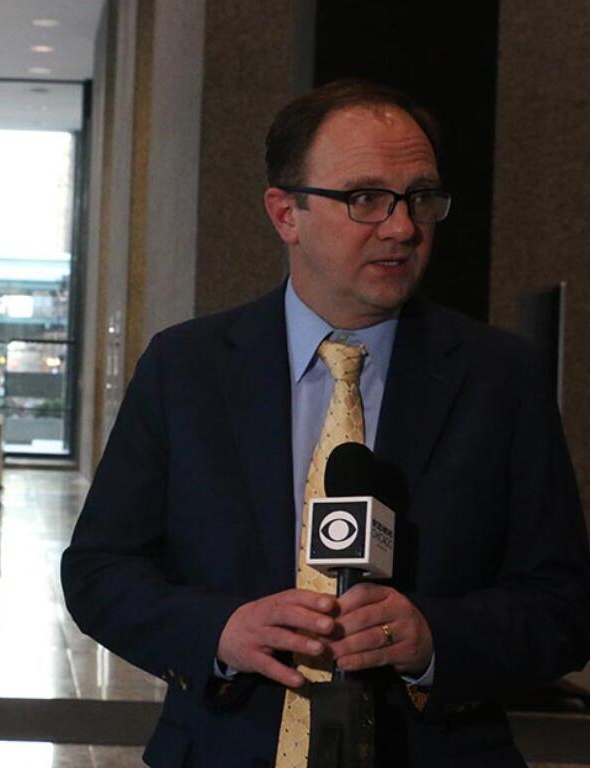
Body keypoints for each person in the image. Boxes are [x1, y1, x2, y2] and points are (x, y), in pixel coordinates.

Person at [61, 79, 590, 767]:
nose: (403, 227)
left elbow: (564, 603)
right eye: (365, 198)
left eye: (421, 197)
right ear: (286, 213)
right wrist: (220, 629)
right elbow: (100, 571)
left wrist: (435, 638)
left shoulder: (500, 379)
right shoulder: (186, 368)